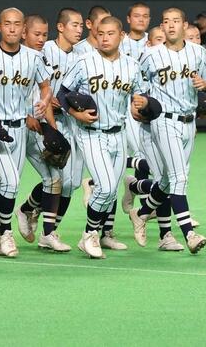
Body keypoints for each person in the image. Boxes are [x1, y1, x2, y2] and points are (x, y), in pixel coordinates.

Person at [57, 16, 146, 259]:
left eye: (110, 33)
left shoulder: (131, 65)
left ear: (121, 36)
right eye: (100, 33)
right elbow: (62, 94)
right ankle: (90, 234)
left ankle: (100, 235)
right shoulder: (84, 62)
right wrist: (76, 113)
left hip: (119, 133)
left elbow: (139, 97)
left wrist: (141, 107)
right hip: (90, 133)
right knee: (105, 187)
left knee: (111, 190)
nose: (104, 38)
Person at [0, 8, 53, 258]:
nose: (13, 29)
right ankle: (3, 232)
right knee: (11, 182)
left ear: (23, 29)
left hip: (20, 129)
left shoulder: (33, 57)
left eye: (17, 24)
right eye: (8, 24)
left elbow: (46, 85)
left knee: (3, 185)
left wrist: (44, 100)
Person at [127, 8, 206, 254]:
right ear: (162, 27)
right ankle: (189, 234)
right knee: (179, 178)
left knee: (166, 180)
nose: (171, 25)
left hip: (189, 121)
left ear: (185, 25)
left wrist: (205, 84)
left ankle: (141, 213)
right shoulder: (150, 55)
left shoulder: (198, 52)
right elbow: (136, 84)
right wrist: (137, 102)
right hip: (162, 120)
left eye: (176, 21)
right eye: (166, 22)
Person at [16, 8, 84, 252]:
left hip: (69, 122)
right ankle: (44, 228)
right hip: (42, 121)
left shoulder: (81, 55)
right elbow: (38, 89)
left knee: (72, 183)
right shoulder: (43, 51)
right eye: (74, 24)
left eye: (81, 25)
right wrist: (50, 129)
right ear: (61, 27)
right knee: (55, 179)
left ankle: (30, 210)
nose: (79, 29)